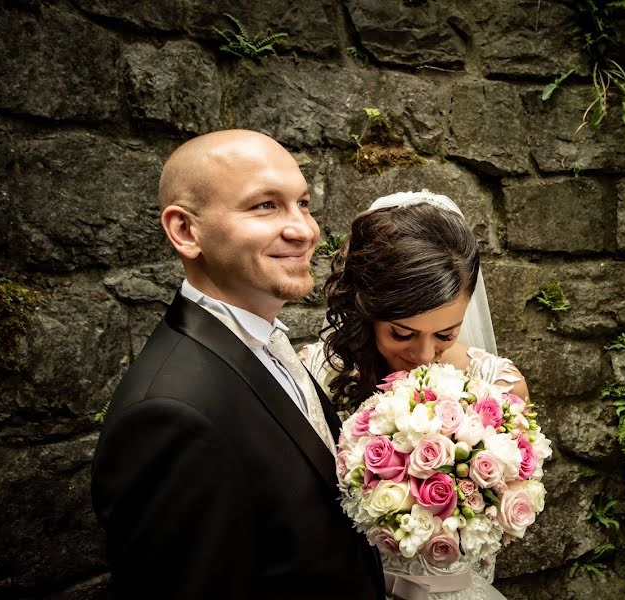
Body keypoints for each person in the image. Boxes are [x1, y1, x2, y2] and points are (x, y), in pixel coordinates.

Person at [91, 130, 385, 599]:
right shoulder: (170, 415)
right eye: (265, 206)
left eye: (303, 203)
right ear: (186, 231)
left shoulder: (258, 342)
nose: (304, 230)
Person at [300, 191, 529, 599]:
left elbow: (494, 531)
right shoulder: (314, 374)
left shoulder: (498, 388)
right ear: (365, 310)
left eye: (446, 333)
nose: (423, 355)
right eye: (401, 334)